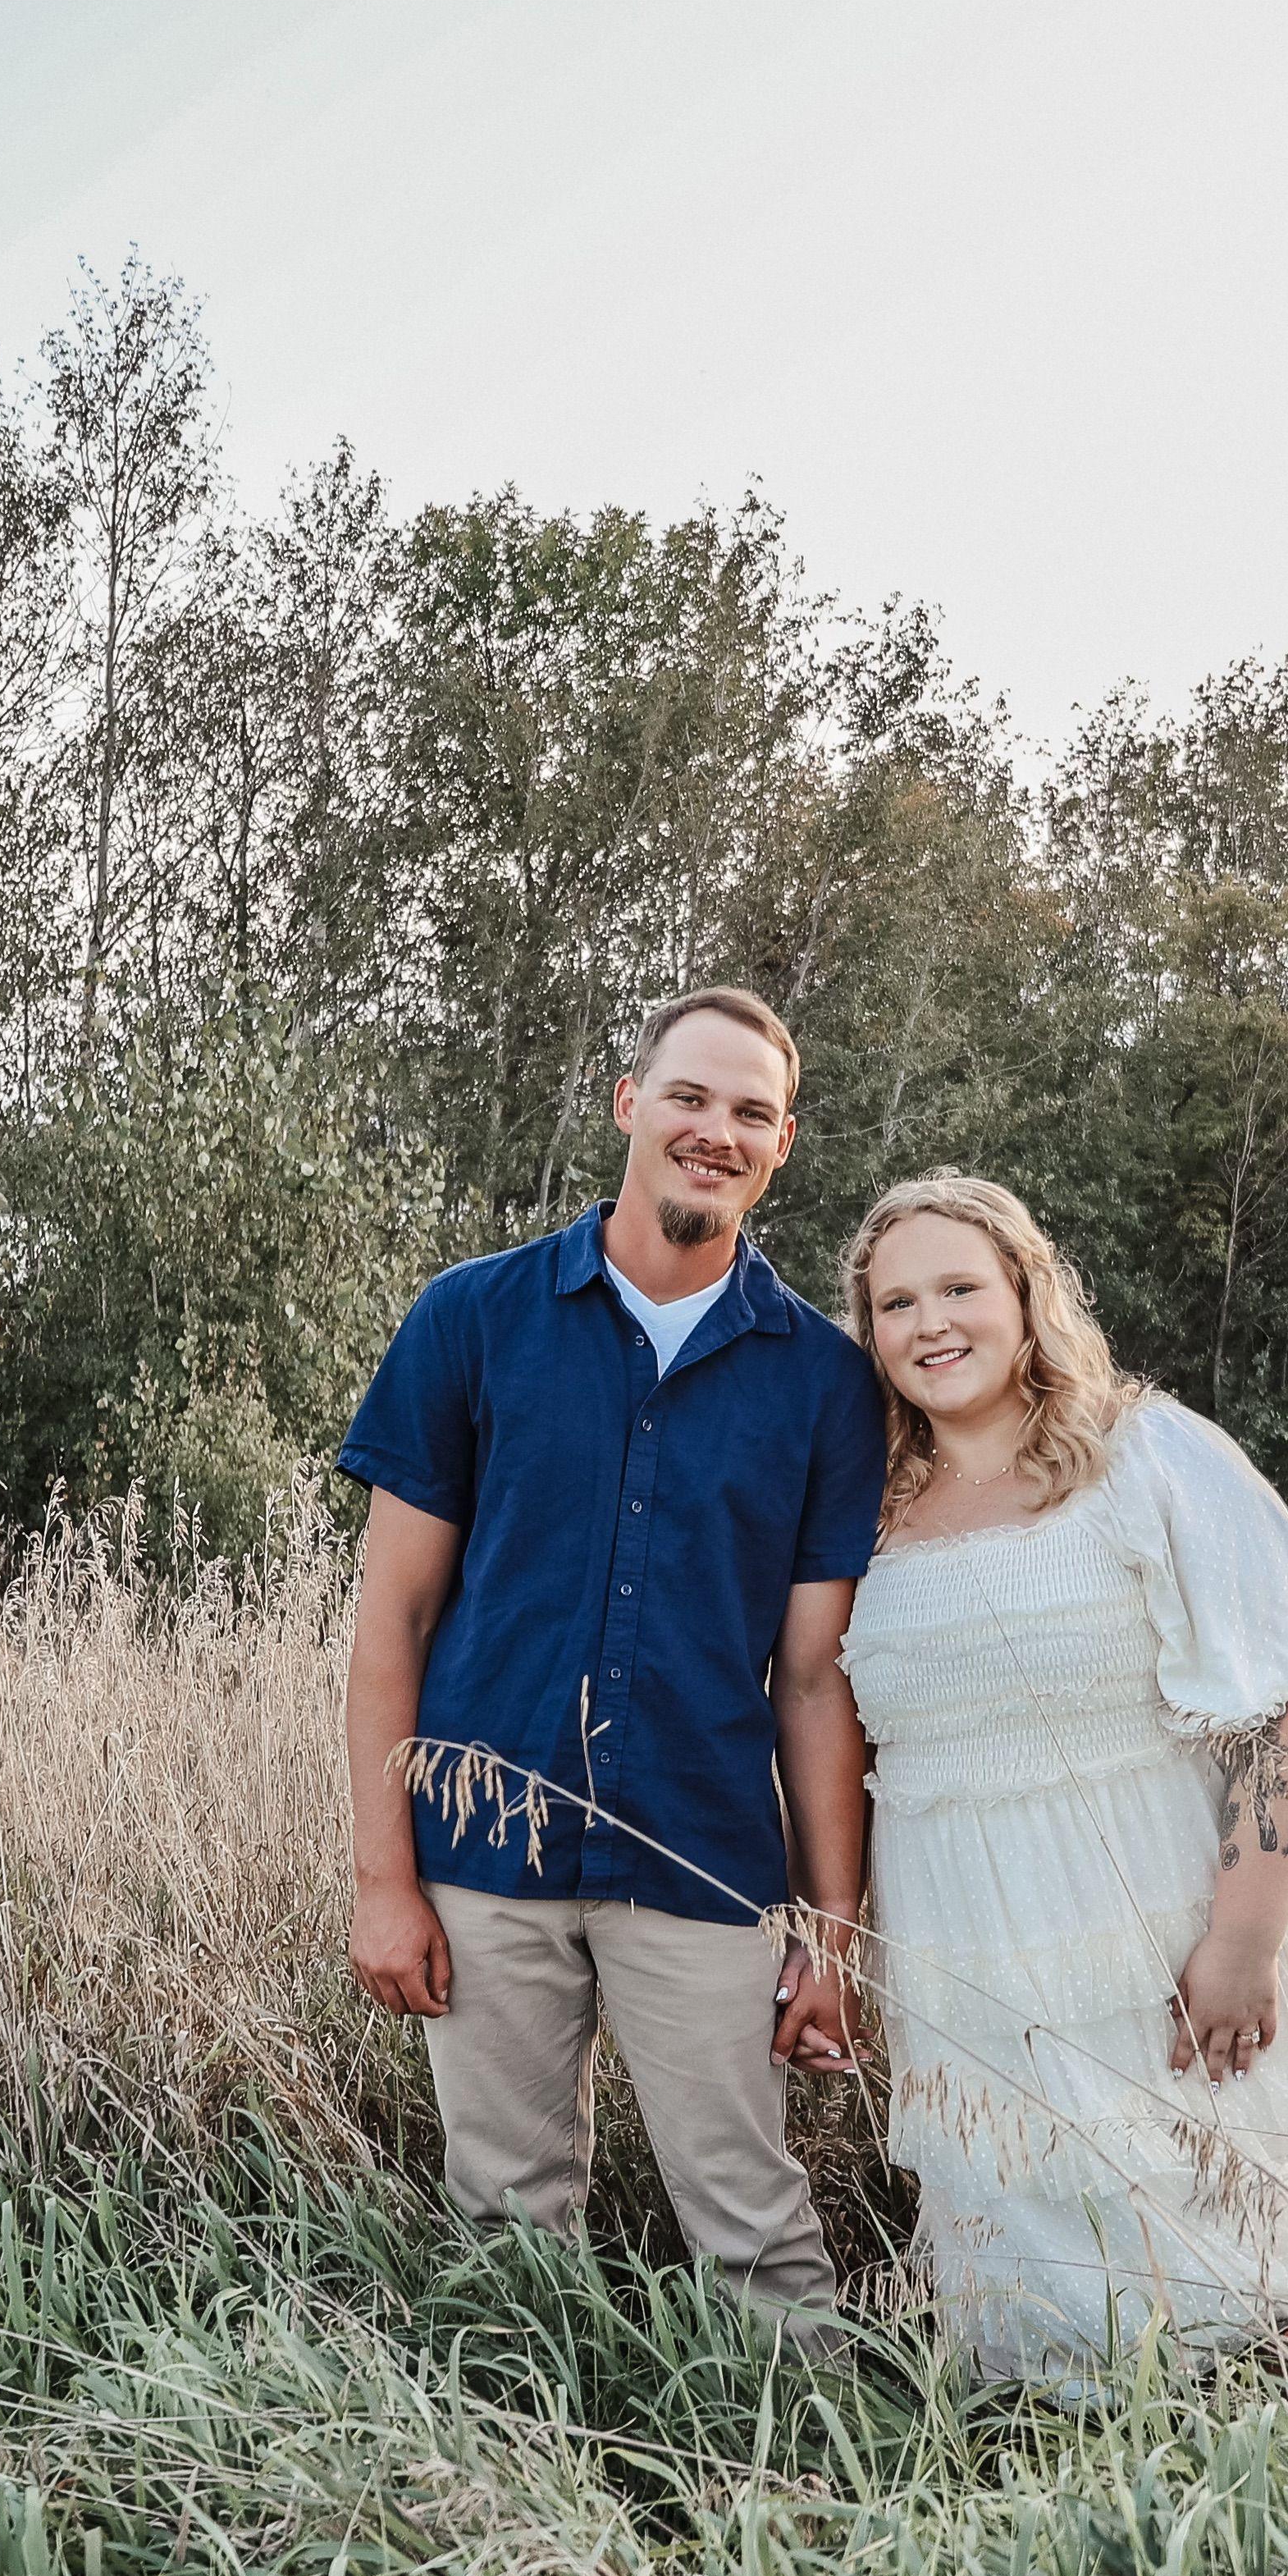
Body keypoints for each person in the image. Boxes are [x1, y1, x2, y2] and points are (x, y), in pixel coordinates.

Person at [336, 988, 884, 2344]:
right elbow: (393, 1622)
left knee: (753, 2221)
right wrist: (384, 1881)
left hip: (704, 1860)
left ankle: (816, 2460)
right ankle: (509, 2465)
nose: (716, 1131)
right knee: (503, 2217)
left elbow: (816, 1681)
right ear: (631, 1103)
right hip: (483, 1853)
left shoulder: (826, 1381)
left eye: (751, 1112)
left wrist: (831, 1930)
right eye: (689, 1096)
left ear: (783, 1144)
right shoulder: (472, 1319)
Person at [834, 1169, 1288, 2391]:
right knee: (1048, 2290)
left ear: (1026, 1293)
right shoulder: (859, 1506)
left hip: (1163, 1922)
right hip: (967, 1942)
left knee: (1240, 2255)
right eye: (897, 1304)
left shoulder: (1149, 1453)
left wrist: (1243, 1944)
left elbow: (1284, 1709)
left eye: (960, 1289)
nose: (931, 1324)